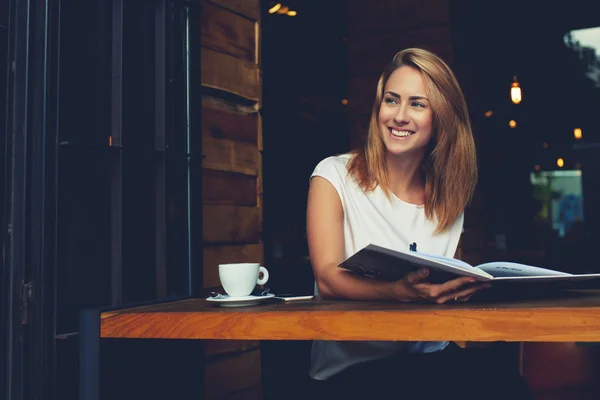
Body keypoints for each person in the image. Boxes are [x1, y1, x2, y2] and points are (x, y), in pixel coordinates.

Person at [305, 48, 534, 399]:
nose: (399, 116)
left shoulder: (447, 199)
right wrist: (396, 292)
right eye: (391, 100)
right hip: (353, 370)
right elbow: (328, 277)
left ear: (440, 117)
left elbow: (442, 288)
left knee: (509, 386)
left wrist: (462, 289)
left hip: (430, 360)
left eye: (417, 104)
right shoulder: (333, 175)